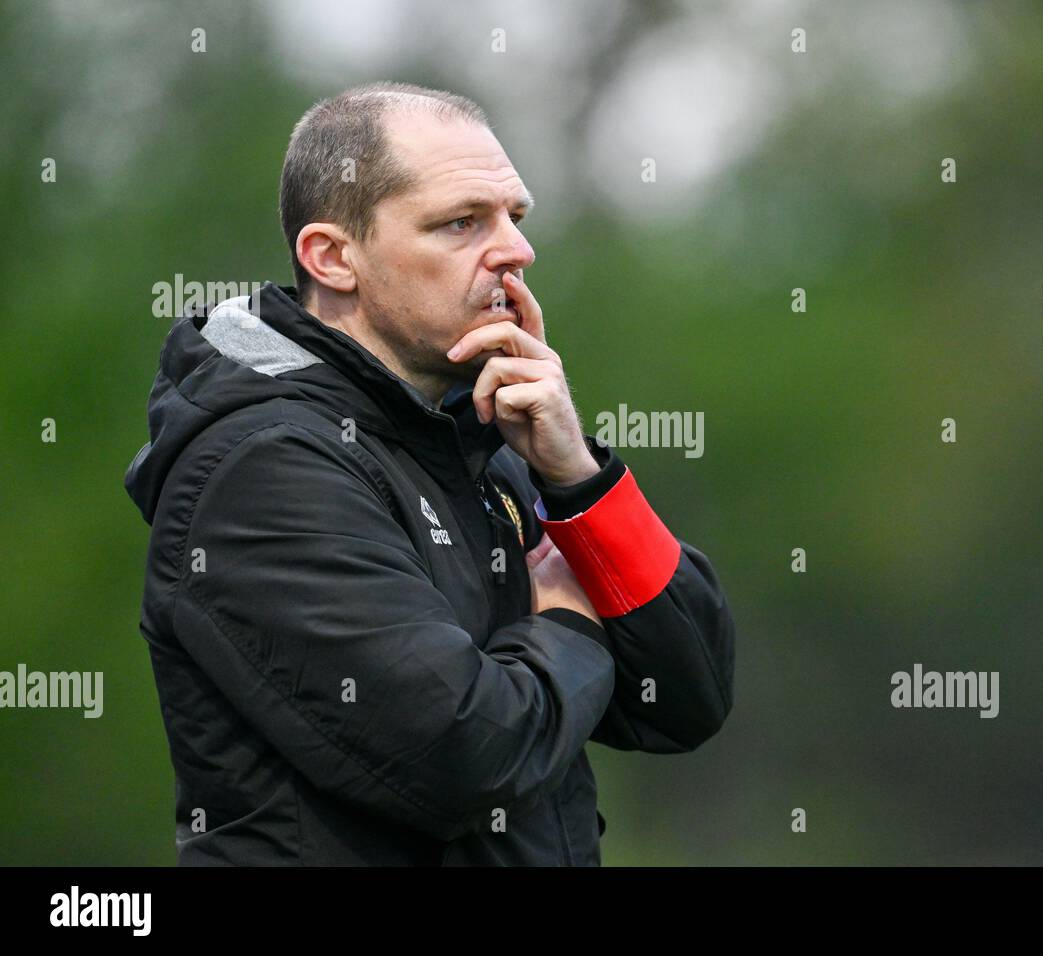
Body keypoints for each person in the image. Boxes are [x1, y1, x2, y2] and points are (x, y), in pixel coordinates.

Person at [123, 82, 736, 866]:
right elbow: (467, 756)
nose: (517, 251)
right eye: (462, 222)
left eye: (516, 217)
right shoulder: (262, 467)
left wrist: (576, 477)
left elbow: (687, 699)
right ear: (333, 257)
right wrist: (570, 619)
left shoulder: (481, 439)